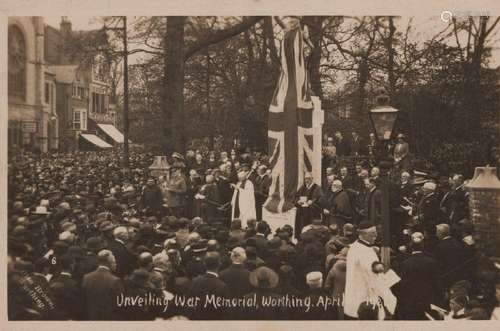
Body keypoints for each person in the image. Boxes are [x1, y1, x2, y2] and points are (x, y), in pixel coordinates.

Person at [344, 221, 382, 319]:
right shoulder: (364, 251)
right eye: (373, 233)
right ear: (363, 234)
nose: (376, 235)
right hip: (364, 299)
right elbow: (372, 276)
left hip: (353, 299)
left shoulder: (355, 247)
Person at [395, 240, 441, 320]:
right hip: (428, 297)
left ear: (411, 248)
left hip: (411, 300)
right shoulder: (432, 262)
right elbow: (436, 281)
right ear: (422, 247)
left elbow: (403, 283)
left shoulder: (406, 263)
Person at [82, 250, 124, 320]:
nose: (116, 265)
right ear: (109, 263)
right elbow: (120, 304)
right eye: (114, 262)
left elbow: (83, 301)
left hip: (91, 318)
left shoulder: (86, 277)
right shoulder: (115, 281)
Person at [188, 251, 230, 320]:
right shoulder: (222, 286)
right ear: (219, 264)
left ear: (204, 264)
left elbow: (189, 305)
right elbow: (225, 312)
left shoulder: (195, 281)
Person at [433, 223, 468, 292]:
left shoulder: (440, 247)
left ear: (440, 233)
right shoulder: (459, 243)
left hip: (447, 278)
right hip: (460, 276)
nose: (436, 234)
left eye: (437, 232)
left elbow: (438, 265)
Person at [293, 172, 322, 240]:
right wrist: (298, 201)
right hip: (302, 214)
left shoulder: (317, 188)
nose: (307, 180)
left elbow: (321, 200)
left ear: (312, 179)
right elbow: (295, 197)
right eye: (305, 179)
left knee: (311, 232)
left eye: (308, 178)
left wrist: (313, 202)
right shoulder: (302, 187)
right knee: (301, 230)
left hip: (312, 213)